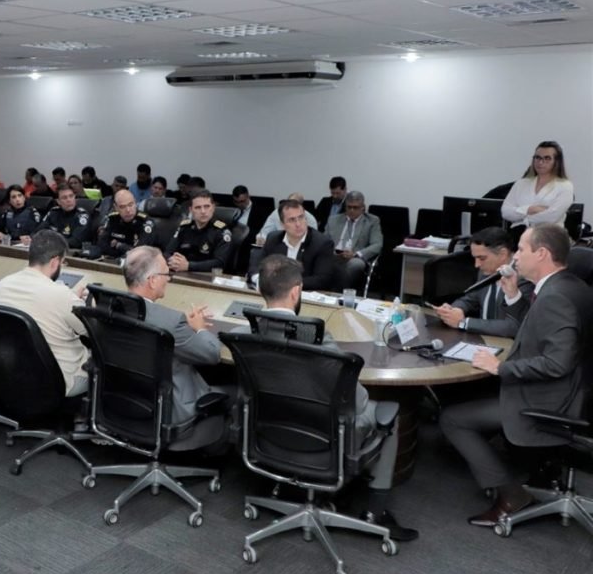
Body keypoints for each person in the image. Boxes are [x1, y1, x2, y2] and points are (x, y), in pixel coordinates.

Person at [249, 255, 417, 540]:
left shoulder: (246, 333)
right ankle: (376, 509)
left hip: (269, 433)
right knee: (387, 413)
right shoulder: (317, 340)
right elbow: (358, 401)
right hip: (321, 436)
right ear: (296, 291)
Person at [440, 224, 593, 527]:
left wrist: (501, 368)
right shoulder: (568, 286)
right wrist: (513, 295)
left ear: (542, 253)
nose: (516, 255)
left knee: (453, 419)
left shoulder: (555, 297)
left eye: (521, 249)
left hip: (555, 401)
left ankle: (511, 494)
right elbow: (536, 328)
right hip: (578, 390)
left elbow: (556, 363)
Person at [123, 246, 223, 428]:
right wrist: (200, 329)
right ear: (152, 281)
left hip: (123, 399)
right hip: (169, 410)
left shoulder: (111, 307)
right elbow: (212, 354)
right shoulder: (172, 322)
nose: (168, 279)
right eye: (166, 275)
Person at [0, 230, 88, 396]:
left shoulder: (3, 285)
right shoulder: (62, 295)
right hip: (58, 381)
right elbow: (89, 330)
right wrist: (81, 302)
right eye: (63, 262)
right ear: (55, 262)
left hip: (10, 374)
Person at [435, 227, 533, 337]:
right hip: (482, 338)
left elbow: (513, 326)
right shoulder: (485, 271)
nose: (477, 265)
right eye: (475, 258)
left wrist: (464, 323)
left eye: (482, 258)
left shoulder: (524, 276)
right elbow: (470, 299)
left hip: (507, 344)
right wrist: (454, 310)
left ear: (502, 254)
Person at [252, 198, 335, 291]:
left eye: (301, 217)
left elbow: (322, 280)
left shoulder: (322, 243)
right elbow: (256, 267)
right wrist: (259, 280)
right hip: (275, 293)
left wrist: (285, 283)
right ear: (282, 224)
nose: (298, 224)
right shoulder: (273, 238)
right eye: (292, 220)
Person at [501, 140, 574, 229]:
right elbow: (506, 211)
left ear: (556, 161)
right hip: (518, 234)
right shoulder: (521, 183)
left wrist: (523, 218)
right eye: (537, 157)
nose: (540, 162)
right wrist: (530, 209)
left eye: (547, 158)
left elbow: (552, 217)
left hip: (549, 235)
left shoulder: (565, 186)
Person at [164, 189, 232, 273]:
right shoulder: (184, 227)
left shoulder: (221, 231)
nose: (203, 211)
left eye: (207, 206)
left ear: (213, 208)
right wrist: (173, 261)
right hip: (182, 273)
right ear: (191, 210)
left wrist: (188, 266)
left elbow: (219, 263)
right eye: (198, 207)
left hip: (207, 278)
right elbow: (167, 253)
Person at [326, 190, 382, 290]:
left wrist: (356, 254)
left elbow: (377, 244)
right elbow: (324, 241)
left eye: (355, 207)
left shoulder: (372, 221)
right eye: (349, 207)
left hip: (355, 258)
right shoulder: (333, 220)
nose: (351, 210)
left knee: (356, 264)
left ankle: (340, 291)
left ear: (363, 208)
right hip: (334, 256)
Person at [93, 190, 156, 259]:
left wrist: (118, 245)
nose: (128, 210)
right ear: (116, 207)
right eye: (122, 207)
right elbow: (101, 244)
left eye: (130, 205)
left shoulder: (145, 222)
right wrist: (123, 250)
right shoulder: (112, 218)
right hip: (112, 260)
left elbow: (139, 253)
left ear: (135, 203)